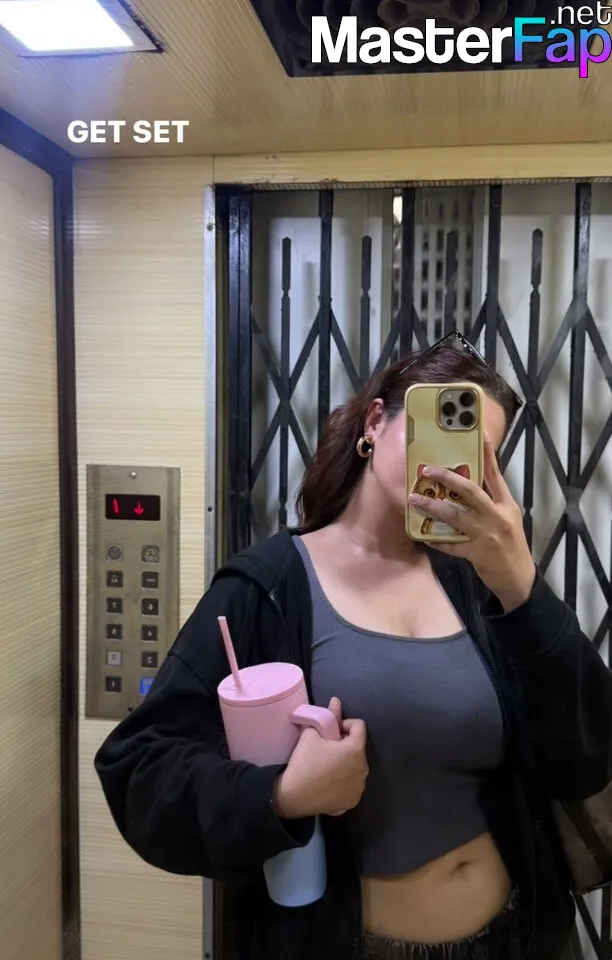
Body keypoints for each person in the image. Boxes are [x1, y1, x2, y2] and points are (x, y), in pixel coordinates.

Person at [95, 339, 612, 960]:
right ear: (374, 423)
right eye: (437, 433)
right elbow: (140, 768)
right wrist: (282, 795)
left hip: (514, 937)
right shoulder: (271, 587)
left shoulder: (481, 583)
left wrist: (521, 585)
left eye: (479, 456)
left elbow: (589, 751)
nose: (450, 467)